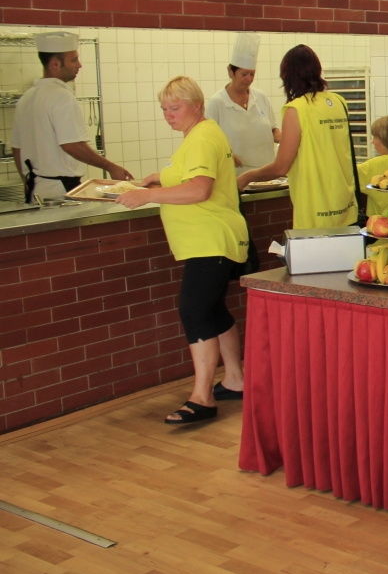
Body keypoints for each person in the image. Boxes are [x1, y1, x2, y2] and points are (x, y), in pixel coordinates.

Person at [116, 77, 248, 425]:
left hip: (210, 238)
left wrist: (147, 195)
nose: (168, 115)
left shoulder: (202, 136)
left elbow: (200, 189)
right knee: (213, 310)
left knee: (194, 311)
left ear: (197, 106)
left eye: (175, 108)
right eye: (164, 109)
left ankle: (202, 398)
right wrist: (158, 177)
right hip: (208, 239)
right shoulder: (199, 135)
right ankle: (235, 380)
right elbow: (188, 176)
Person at [237, 45, 357, 229]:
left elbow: (281, 167)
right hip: (346, 206)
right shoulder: (339, 102)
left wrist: (246, 177)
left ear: (288, 76)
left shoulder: (297, 109)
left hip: (316, 210)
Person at [11, 31, 132, 201]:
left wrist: (26, 180)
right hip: (59, 190)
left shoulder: (27, 97)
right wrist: (110, 166)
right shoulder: (61, 96)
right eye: (74, 60)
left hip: (35, 189)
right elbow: (71, 145)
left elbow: (16, 148)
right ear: (55, 64)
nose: (79, 65)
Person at [205, 33, 281, 174]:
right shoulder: (218, 103)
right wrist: (226, 153)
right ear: (230, 72)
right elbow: (207, 140)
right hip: (236, 176)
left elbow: (273, 129)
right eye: (244, 74)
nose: (248, 79)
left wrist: (286, 139)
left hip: (267, 173)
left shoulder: (260, 97)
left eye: (252, 74)